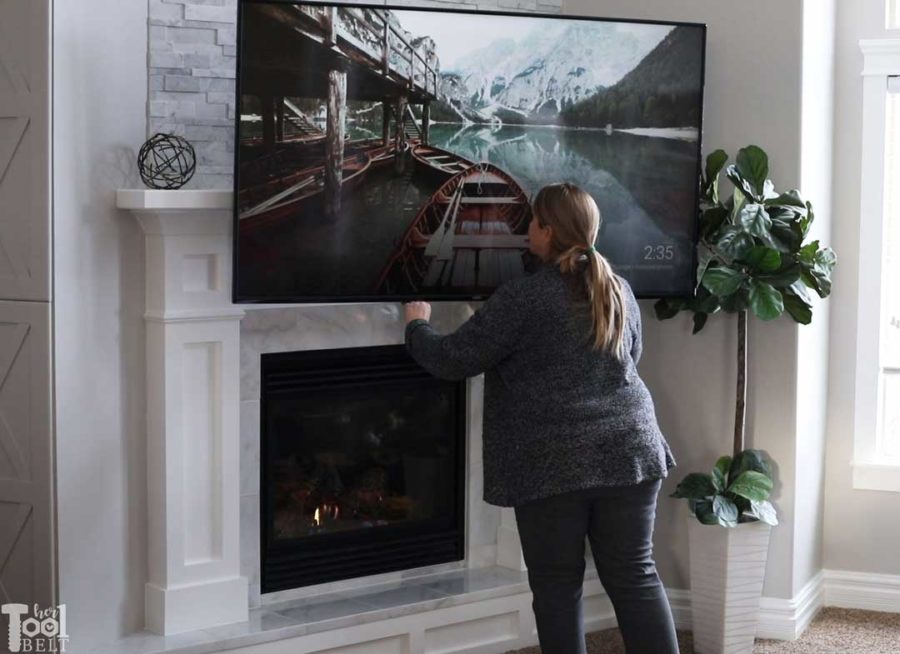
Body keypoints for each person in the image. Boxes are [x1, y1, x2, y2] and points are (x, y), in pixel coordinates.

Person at [403, 182, 680, 654]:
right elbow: (631, 355)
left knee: (556, 587)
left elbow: (451, 359)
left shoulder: (523, 297)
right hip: (631, 450)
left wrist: (416, 325)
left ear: (547, 231)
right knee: (635, 576)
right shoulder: (620, 289)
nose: (527, 229)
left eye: (532, 221)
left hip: (554, 463)